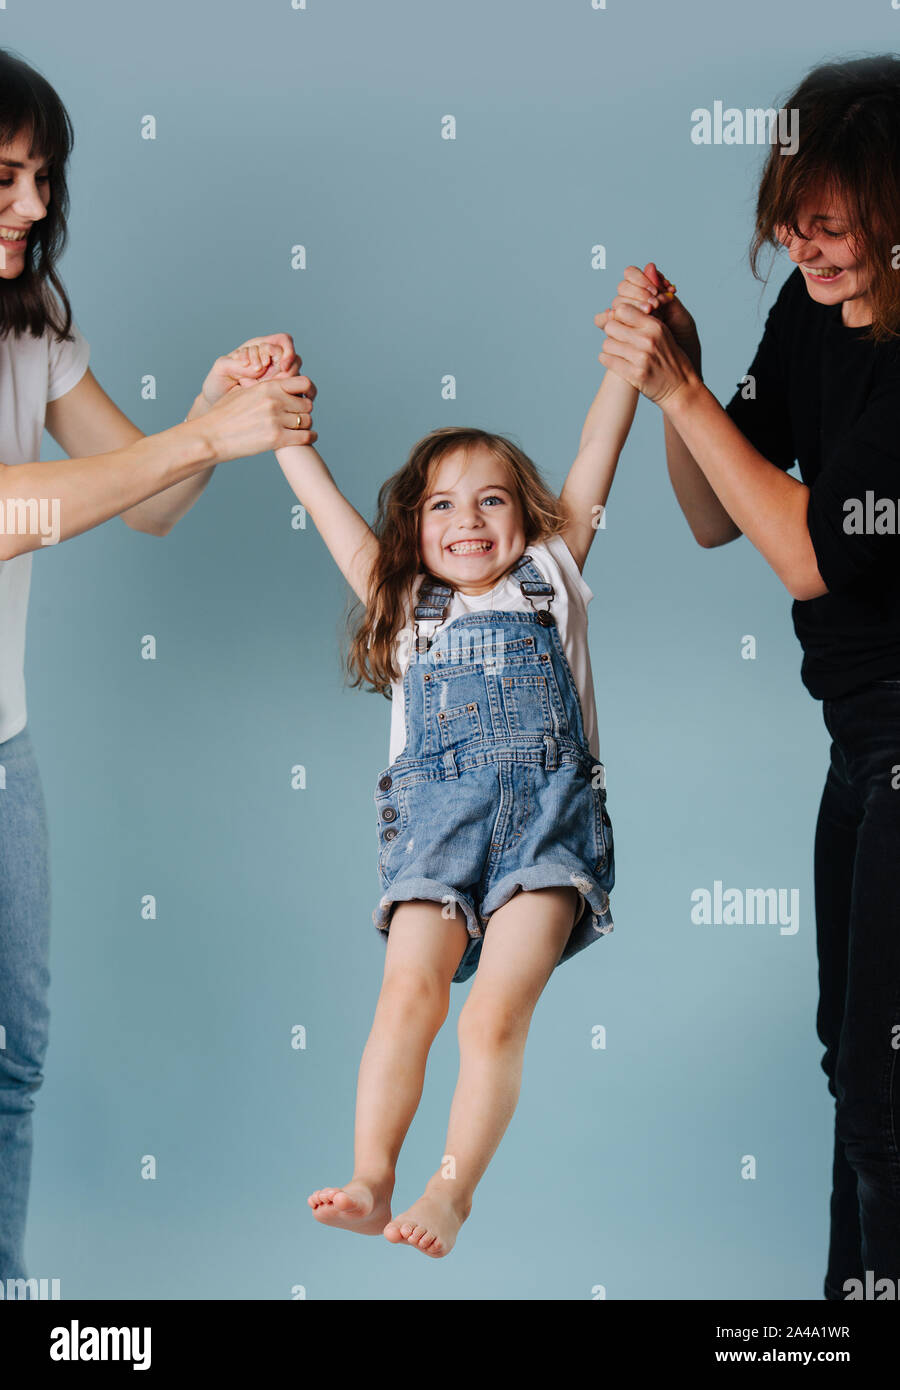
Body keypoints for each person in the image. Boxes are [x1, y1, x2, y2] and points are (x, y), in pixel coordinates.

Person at [266, 278, 676, 1253]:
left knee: (490, 1016)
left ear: (526, 511)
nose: (469, 519)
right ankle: (374, 1174)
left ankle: (451, 1187)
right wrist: (284, 418)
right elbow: (318, 496)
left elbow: (598, 447)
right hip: (437, 826)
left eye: (492, 498)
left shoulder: (555, 571)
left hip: (547, 825)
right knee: (410, 993)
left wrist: (633, 349)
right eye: (442, 504)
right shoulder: (402, 607)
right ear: (413, 529)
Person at [0, 47, 318, 1284]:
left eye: (42, 180)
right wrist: (203, 433)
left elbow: (145, 503)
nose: (33, 206)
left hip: (4, 749)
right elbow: (13, 507)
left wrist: (209, 416)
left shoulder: (36, 318)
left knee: (14, 1063)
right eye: (7, 177)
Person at [597, 55, 900, 1300]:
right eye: (792, 214)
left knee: (884, 1090)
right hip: (860, 740)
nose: (800, 241)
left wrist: (680, 391)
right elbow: (720, 517)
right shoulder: (817, 313)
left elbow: (812, 554)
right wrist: (684, 382)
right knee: (852, 1066)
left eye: (828, 220)